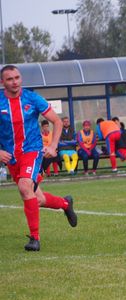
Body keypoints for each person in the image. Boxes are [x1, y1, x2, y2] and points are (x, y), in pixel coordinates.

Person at [0, 65, 77, 251]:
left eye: (17, 77)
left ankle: (35, 239)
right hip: (11, 157)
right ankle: (65, 203)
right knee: (38, 199)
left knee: (24, 187)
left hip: (32, 151)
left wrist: (53, 145)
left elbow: (57, 121)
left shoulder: (32, 98)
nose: (15, 82)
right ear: (2, 82)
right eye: (10, 79)